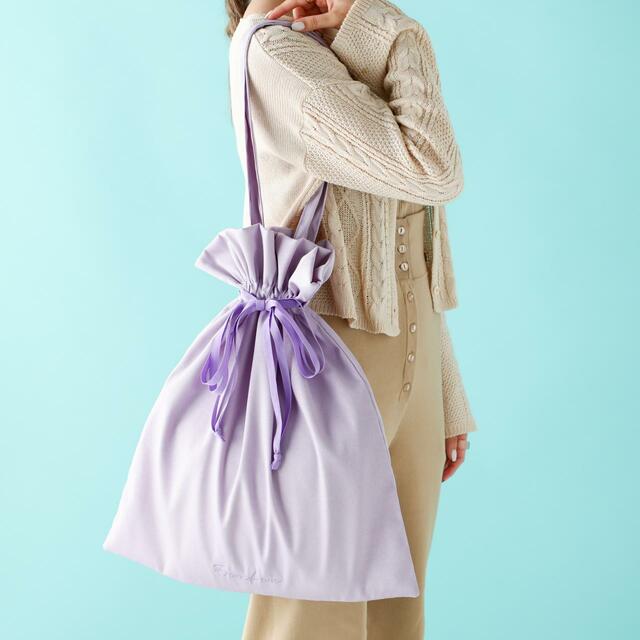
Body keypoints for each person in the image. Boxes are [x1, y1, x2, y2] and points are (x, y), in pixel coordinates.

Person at [225, 0, 478, 637]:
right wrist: (396, 30)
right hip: (330, 370)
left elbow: (406, 240)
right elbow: (430, 167)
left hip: (410, 370)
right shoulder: (275, 53)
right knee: (310, 616)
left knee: (398, 616)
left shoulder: (337, 44)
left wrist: (443, 389)